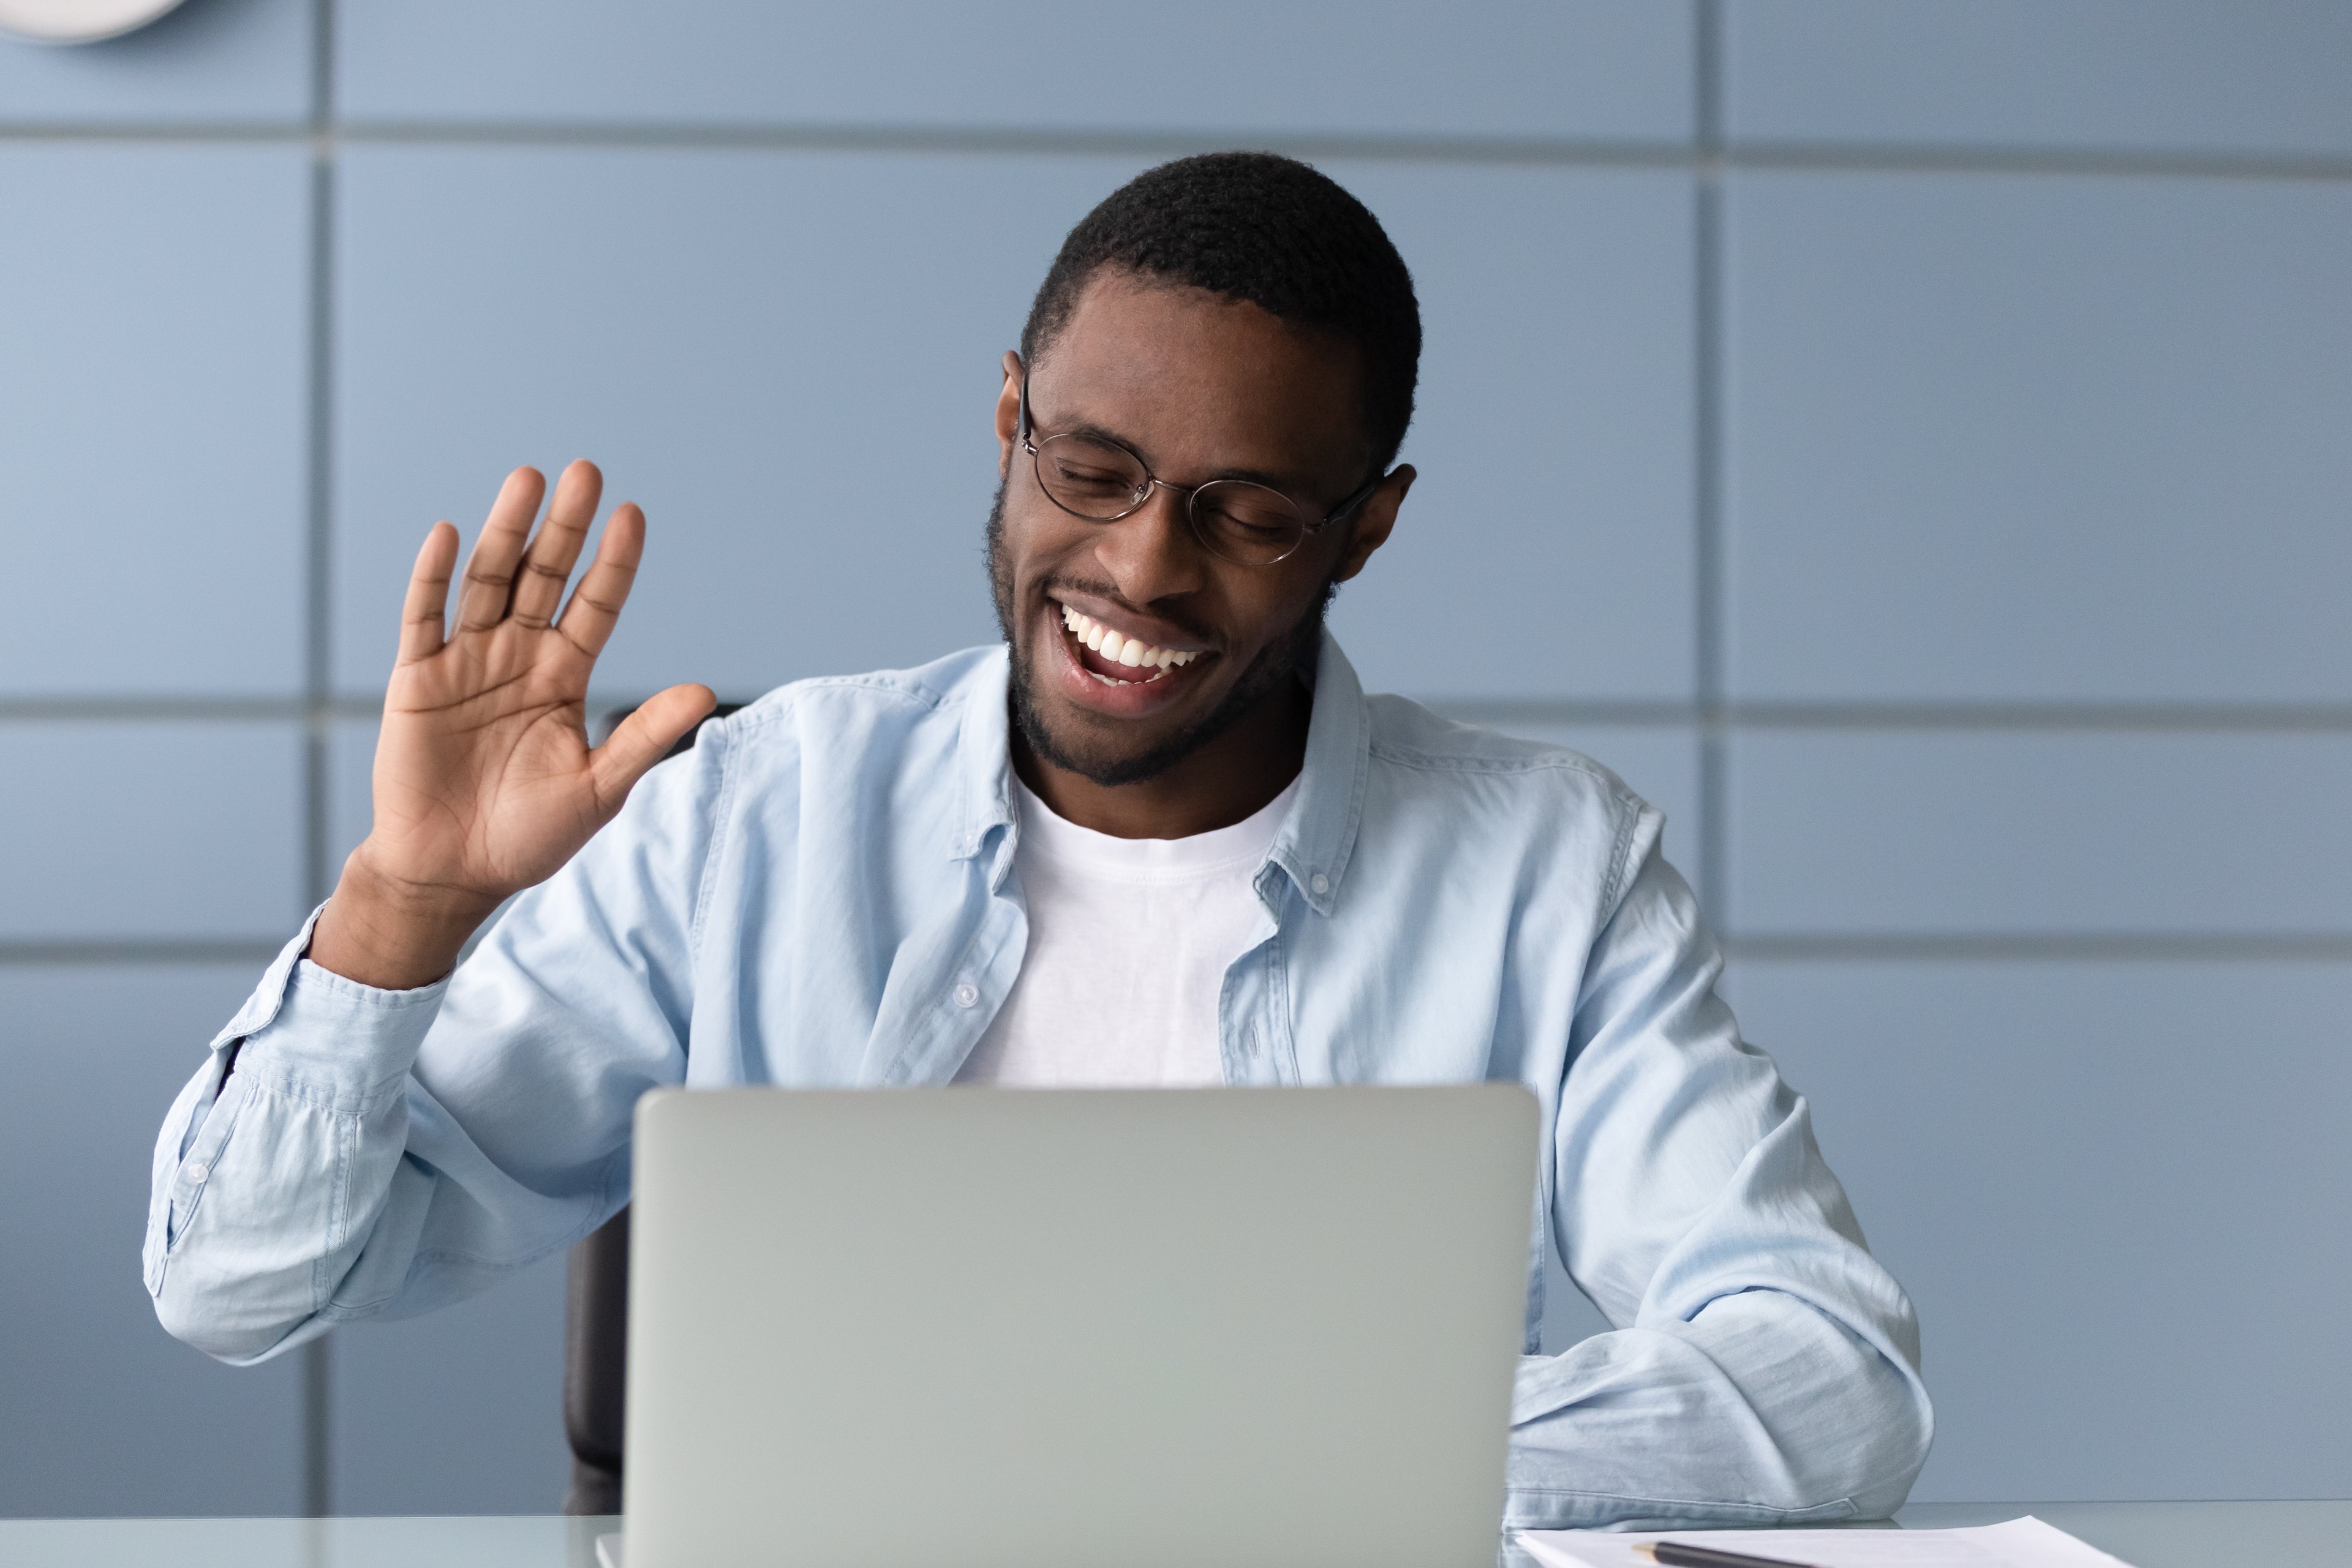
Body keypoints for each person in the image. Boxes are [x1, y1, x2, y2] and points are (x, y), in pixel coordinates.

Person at [145, 153, 1931, 1529]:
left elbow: (1830, 1378)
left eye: (1246, 513)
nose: (1146, 568)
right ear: (1009, 425)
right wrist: (402, 909)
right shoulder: (754, 815)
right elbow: (234, 1290)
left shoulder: (1552, 871)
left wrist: (1278, 1485)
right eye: (1092, 471)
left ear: (1363, 532)